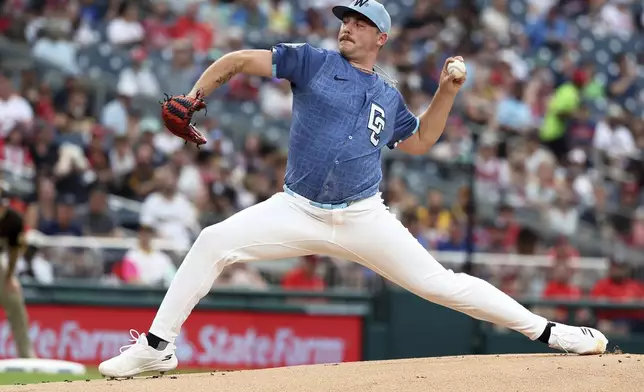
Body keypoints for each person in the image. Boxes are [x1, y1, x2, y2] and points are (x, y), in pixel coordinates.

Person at [98, 0, 608, 378]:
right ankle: (158, 346)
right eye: (345, 18)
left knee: (441, 285)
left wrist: (447, 91)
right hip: (297, 208)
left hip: (364, 215)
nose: (347, 26)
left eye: (360, 22)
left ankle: (552, 334)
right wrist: (193, 95)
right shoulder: (312, 61)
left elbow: (423, 140)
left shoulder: (387, 94)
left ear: (380, 37)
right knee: (212, 241)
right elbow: (236, 60)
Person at [0, 184, 35, 358]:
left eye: (3, 205)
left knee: (15, 301)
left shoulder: (14, 220)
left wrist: (9, 277)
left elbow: (14, 252)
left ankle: (26, 355)